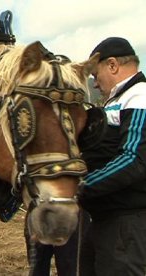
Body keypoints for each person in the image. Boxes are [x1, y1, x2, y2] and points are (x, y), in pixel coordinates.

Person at [79, 37, 146, 275]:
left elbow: (133, 160)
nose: (95, 84)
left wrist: (80, 185)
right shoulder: (115, 100)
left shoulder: (139, 97)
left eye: (95, 76)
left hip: (126, 224)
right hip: (102, 220)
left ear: (113, 65)